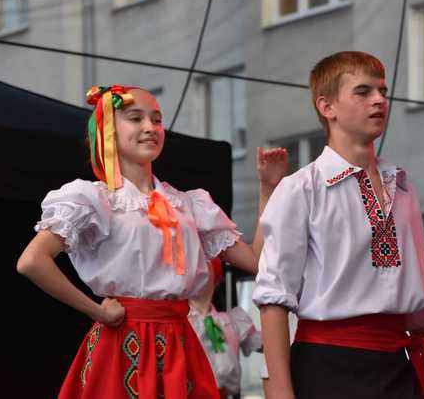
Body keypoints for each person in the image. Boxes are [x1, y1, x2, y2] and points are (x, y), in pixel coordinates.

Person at [16, 85, 287, 399]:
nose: (150, 127)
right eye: (136, 118)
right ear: (109, 131)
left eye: (157, 120)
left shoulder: (189, 204)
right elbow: (32, 261)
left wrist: (269, 189)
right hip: (122, 342)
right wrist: (97, 312)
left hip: (179, 342)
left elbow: (256, 261)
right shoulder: (95, 200)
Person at [252, 52, 424, 399]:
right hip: (327, 367)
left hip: (398, 364)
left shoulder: (403, 186)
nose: (379, 100)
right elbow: (273, 299)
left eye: (383, 90)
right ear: (327, 107)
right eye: (363, 92)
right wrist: (282, 394)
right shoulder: (302, 188)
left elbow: (420, 299)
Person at [188, 258, 263, 398]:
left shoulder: (232, 321)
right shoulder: (182, 323)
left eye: (204, 267)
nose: (199, 273)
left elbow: (262, 344)